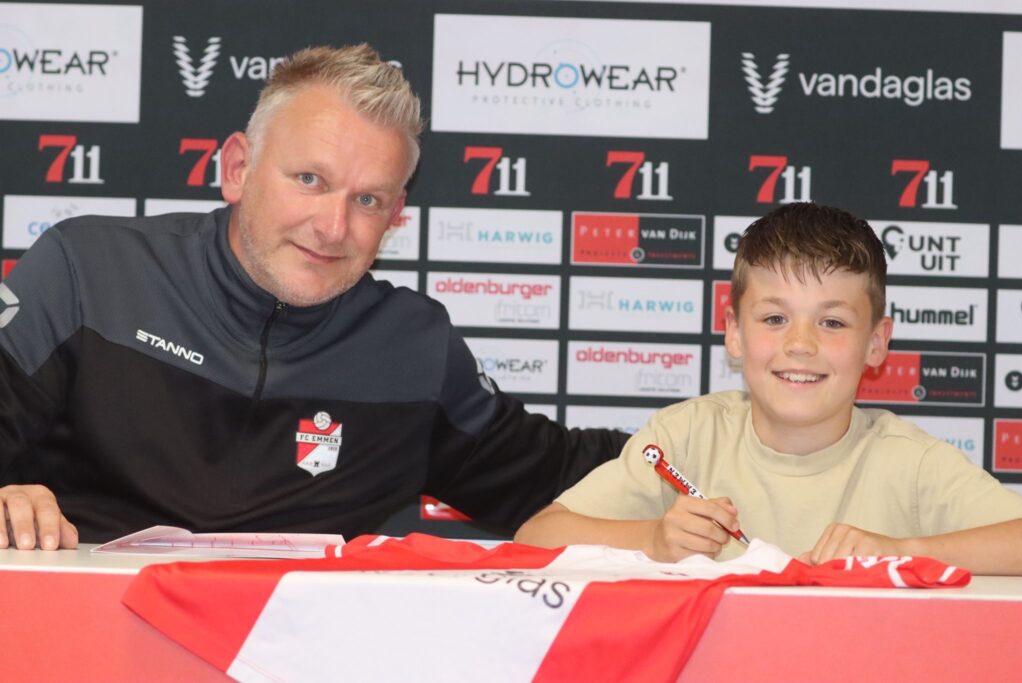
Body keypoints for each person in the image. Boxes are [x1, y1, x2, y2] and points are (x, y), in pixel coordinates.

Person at [0, 44, 628, 550]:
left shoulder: (412, 349)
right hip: (87, 638)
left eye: (368, 199)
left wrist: (688, 442)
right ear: (238, 169)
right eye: (310, 180)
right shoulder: (88, 272)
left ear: (395, 216)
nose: (333, 227)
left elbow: (554, 473)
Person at [516, 203, 1022, 575]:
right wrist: (652, 538)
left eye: (832, 322)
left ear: (876, 343)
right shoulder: (686, 436)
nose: (800, 344)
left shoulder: (909, 464)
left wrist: (903, 550)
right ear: (734, 332)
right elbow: (536, 537)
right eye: (775, 318)